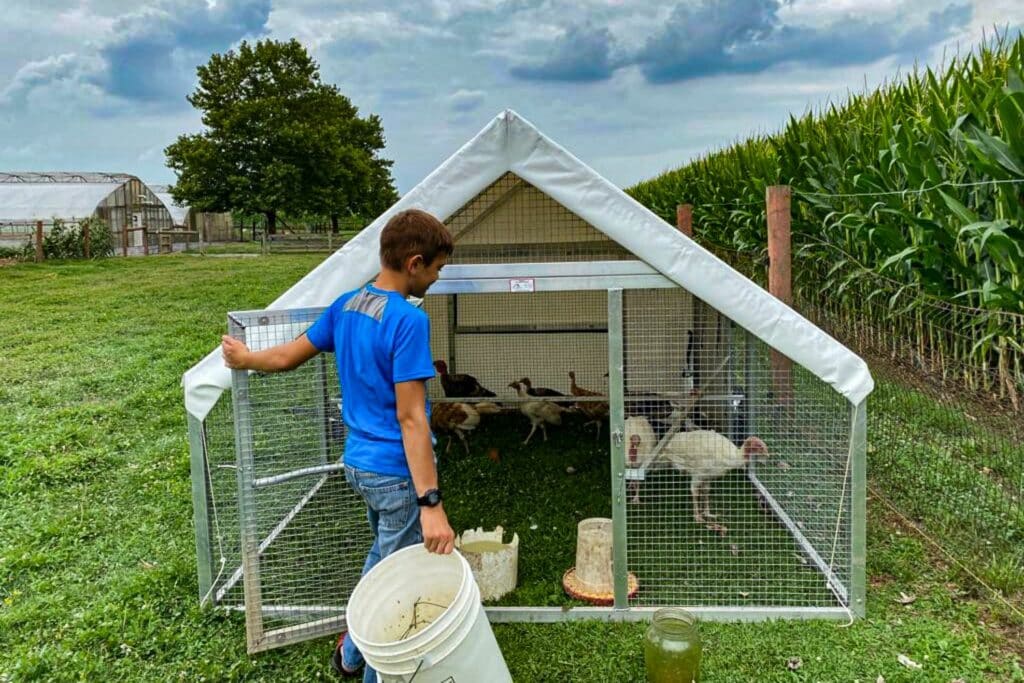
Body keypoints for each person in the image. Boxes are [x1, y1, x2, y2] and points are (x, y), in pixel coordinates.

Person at [221, 209, 456, 682]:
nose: (435, 278)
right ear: (414, 263)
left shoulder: (347, 305)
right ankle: (367, 662)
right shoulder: (407, 321)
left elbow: (287, 356)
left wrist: (246, 357)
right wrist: (430, 501)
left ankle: (352, 652)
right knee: (392, 580)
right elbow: (411, 418)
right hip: (395, 471)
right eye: (436, 269)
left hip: (358, 466)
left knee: (383, 558)